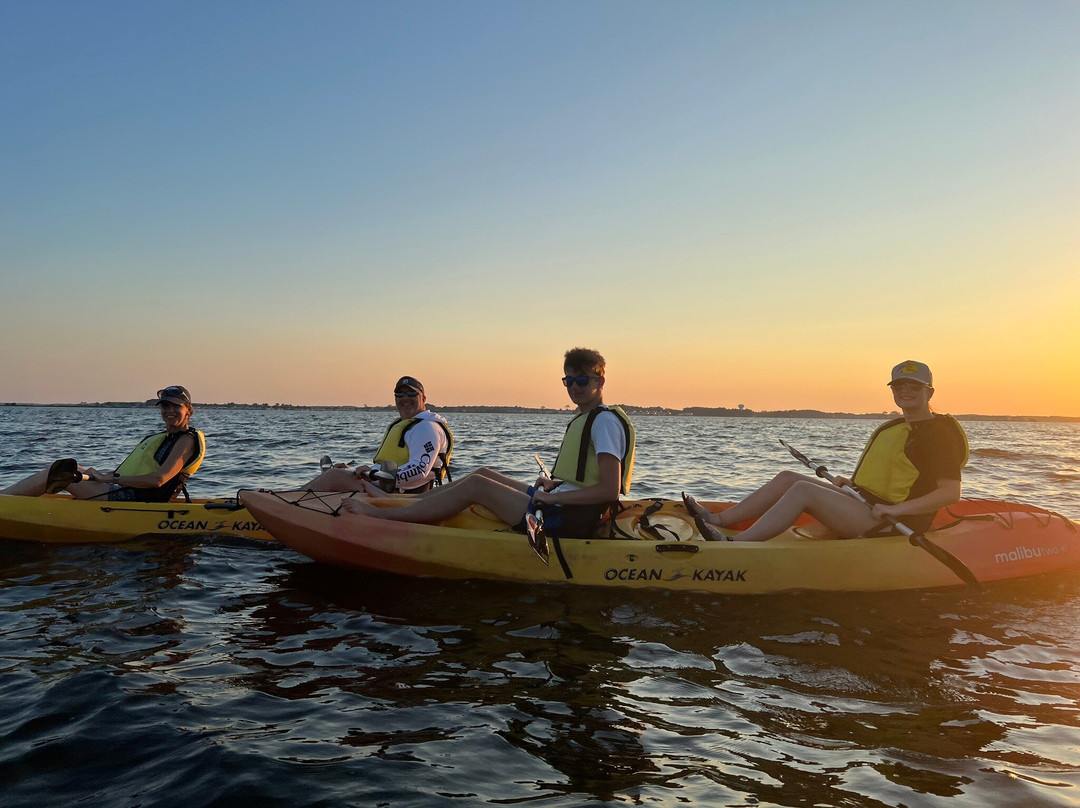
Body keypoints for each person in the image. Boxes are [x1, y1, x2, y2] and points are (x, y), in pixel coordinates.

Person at [340, 348, 636, 539]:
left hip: (569, 519)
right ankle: (405, 503)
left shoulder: (605, 422)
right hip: (563, 503)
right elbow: (585, 480)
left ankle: (382, 515)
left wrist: (549, 499)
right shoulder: (588, 418)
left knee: (476, 487)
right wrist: (553, 486)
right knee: (482, 473)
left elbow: (608, 489)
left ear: (600, 383)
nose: (574, 388)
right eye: (568, 381)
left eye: (582, 381)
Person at [683, 360, 968, 542]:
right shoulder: (897, 427)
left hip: (893, 521)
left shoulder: (938, 434)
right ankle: (718, 519)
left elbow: (949, 494)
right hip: (868, 504)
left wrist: (896, 509)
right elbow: (898, 476)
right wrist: (855, 485)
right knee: (787, 478)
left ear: (930, 393)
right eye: (899, 386)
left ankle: (736, 546)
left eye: (914, 387)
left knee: (803, 491)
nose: (905, 391)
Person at [1, 385, 206, 502]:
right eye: (165, 406)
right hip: (128, 492)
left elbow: (158, 480)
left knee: (54, 474)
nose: (169, 411)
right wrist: (104, 478)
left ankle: (5, 503)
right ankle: (10, 501)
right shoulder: (167, 437)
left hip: (133, 500)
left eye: (176, 406)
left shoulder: (186, 440)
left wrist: (110, 479)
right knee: (66, 467)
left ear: (188, 410)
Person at [303, 376, 453, 495]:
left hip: (404, 496)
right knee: (339, 472)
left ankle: (285, 506)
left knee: (335, 476)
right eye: (399, 394)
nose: (405, 398)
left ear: (424, 399)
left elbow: (418, 471)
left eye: (411, 393)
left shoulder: (426, 428)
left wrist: (372, 475)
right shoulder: (410, 425)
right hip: (388, 487)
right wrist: (354, 471)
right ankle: (289, 502)